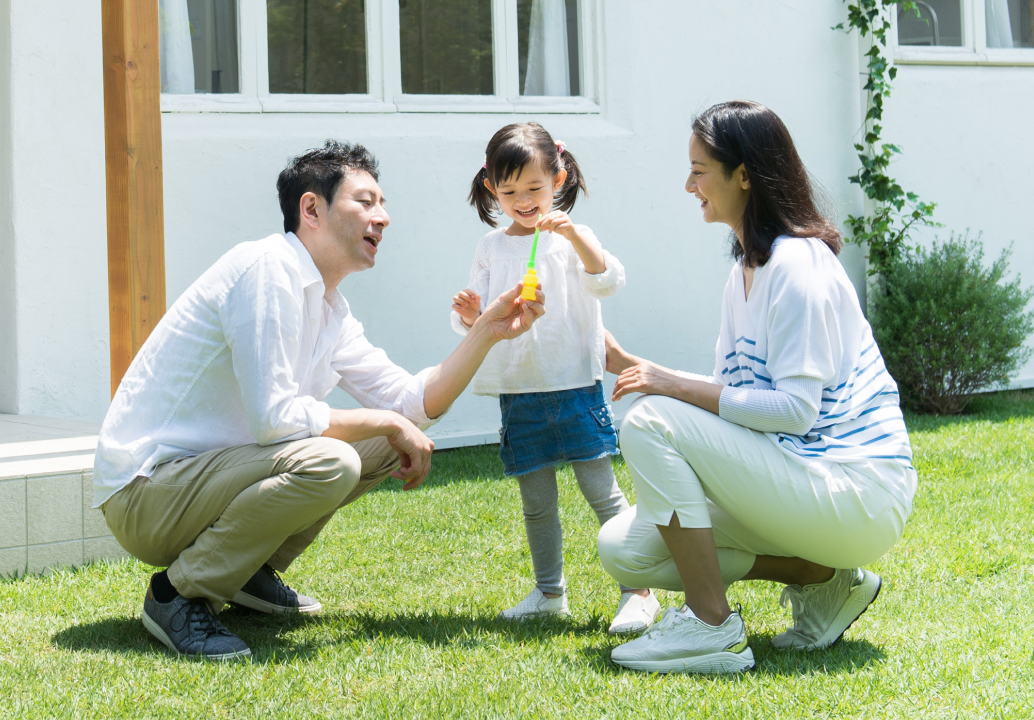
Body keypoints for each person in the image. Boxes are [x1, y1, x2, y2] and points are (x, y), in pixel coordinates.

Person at [93, 140, 545, 661]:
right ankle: (178, 594)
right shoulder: (266, 269)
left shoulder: (330, 305)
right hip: (145, 492)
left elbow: (409, 402)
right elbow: (274, 419)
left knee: (385, 436)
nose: (385, 218)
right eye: (367, 202)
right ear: (312, 209)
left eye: (382, 204)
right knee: (332, 458)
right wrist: (383, 421)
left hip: (204, 482)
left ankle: (245, 572)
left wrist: (486, 331)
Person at [598, 101, 918, 674]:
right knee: (625, 550)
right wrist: (636, 365)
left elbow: (794, 411)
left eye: (699, 170)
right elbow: (734, 401)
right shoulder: (744, 270)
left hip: (856, 488)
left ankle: (710, 627)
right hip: (801, 476)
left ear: (743, 174)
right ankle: (821, 578)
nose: (688, 184)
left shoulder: (798, 265)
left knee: (648, 418)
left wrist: (667, 385)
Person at [451, 122, 657, 634]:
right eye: (509, 191)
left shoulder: (571, 239)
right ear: (491, 189)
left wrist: (577, 237)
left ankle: (639, 591)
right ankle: (549, 593)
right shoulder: (491, 247)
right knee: (537, 505)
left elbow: (607, 281)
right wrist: (469, 310)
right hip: (519, 394)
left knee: (603, 494)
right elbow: (476, 319)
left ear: (559, 179)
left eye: (534, 188)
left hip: (575, 387)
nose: (522, 200)